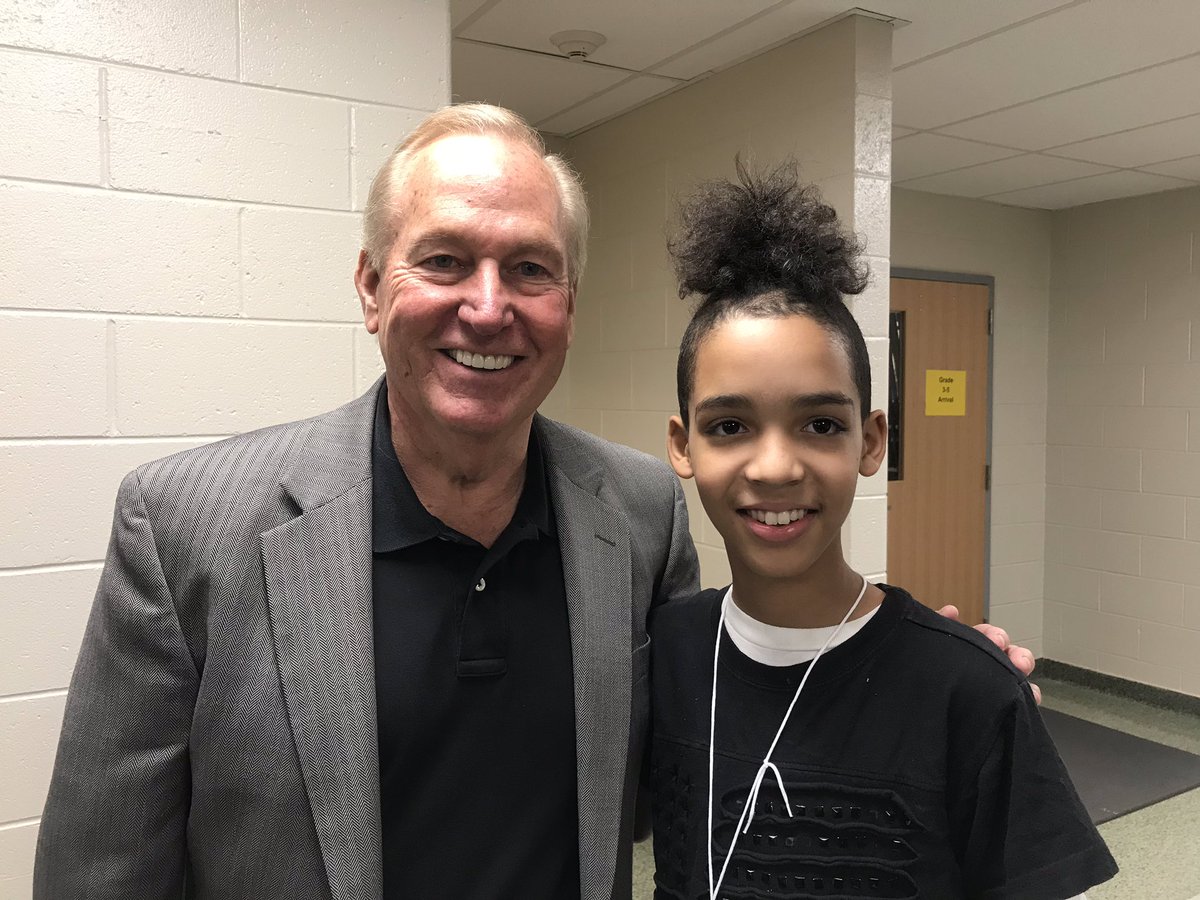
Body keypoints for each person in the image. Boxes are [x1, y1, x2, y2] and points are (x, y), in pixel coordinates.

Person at [33, 104, 1035, 900]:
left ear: (567, 309)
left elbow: (683, 768)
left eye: (529, 269)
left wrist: (914, 689)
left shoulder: (639, 512)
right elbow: (98, 874)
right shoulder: (186, 530)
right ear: (373, 287)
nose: (487, 305)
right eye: (444, 259)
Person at [650, 163, 1116, 899]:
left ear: (871, 442)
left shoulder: (967, 692)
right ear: (683, 445)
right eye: (731, 426)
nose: (774, 467)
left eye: (820, 424)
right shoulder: (664, 656)